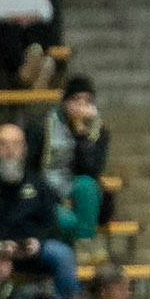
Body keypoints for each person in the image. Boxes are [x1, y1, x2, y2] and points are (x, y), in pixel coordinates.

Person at [0, 123, 79, 299]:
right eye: (4, 144)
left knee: (62, 254)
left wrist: (37, 242)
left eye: (15, 144)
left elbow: (50, 224)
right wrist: (1, 244)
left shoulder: (38, 183)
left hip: (32, 249)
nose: (10, 150)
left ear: (24, 148)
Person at [36, 76, 109, 245]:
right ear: (65, 101)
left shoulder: (98, 131)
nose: (81, 106)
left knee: (87, 185)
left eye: (87, 101)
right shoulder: (43, 126)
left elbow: (92, 170)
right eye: (76, 100)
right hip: (46, 188)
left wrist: (81, 134)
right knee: (67, 221)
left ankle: (84, 244)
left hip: (74, 189)